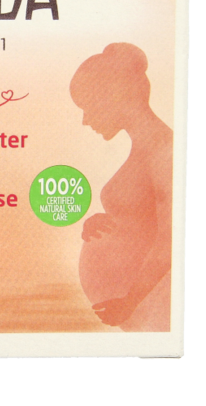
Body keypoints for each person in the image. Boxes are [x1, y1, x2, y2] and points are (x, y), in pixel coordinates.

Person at [70, 43, 172, 331]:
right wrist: (109, 223)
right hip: (138, 312)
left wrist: (130, 302)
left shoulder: (165, 151)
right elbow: (145, 219)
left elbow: (171, 239)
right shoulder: (147, 150)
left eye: (87, 107)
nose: (85, 120)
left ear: (112, 96)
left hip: (152, 309)